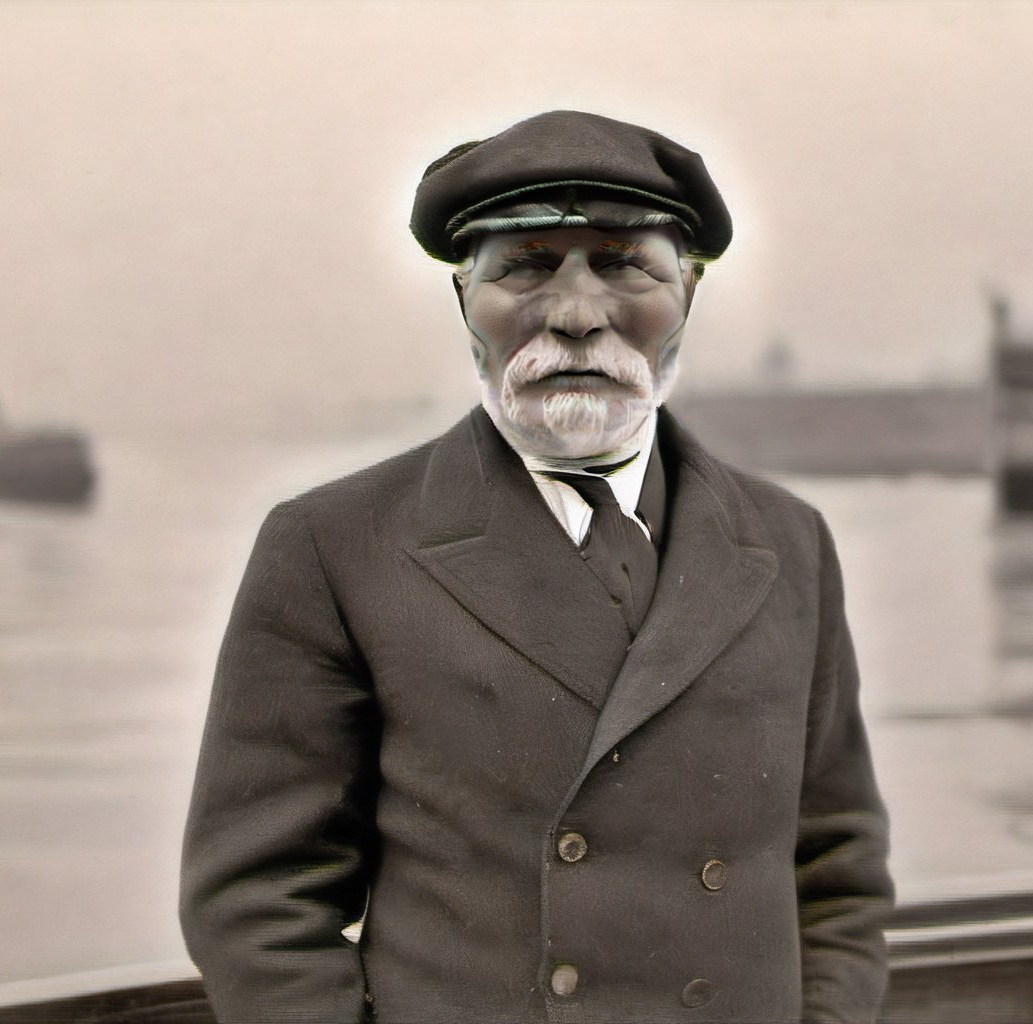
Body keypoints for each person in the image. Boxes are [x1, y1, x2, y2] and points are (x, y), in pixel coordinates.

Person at [180, 109, 894, 1024]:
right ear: (463, 303)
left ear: (689, 293)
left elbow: (840, 871)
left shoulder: (789, 542)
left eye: (625, 263)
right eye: (522, 266)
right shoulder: (333, 545)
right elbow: (256, 901)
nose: (575, 312)